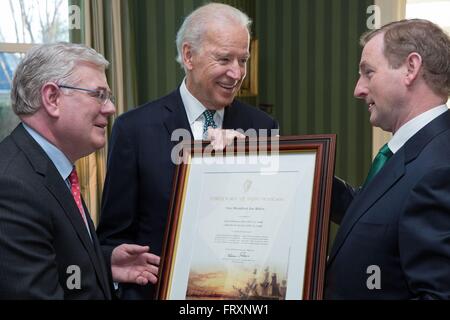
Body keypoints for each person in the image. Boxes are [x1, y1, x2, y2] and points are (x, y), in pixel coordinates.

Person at [96, 3, 278, 299]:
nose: (236, 73)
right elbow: (112, 238)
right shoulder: (134, 130)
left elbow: (273, 223)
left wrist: (253, 166)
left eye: (242, 60)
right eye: (224, 59)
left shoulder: (262, 127)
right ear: (188, 55)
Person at [0, 43, 159, 299]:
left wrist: (104, 264)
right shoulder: (12, 186)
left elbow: (59, 263)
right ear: (52, 98)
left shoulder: (51, 168)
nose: (110, 108)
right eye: (99, 95)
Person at [325, 19, 450, 299]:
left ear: (411, 68)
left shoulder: (440, 169)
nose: (358, 89)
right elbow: (373, 213)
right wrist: (301, 169)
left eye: (368, 72)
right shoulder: (417, 150)